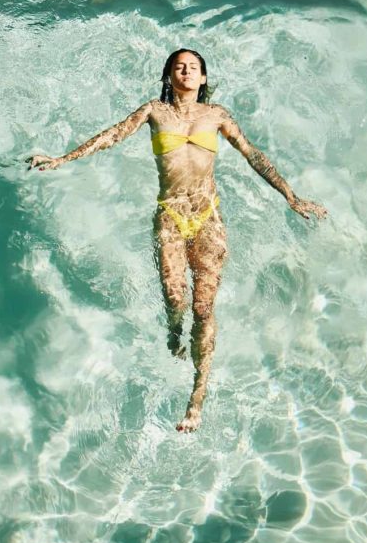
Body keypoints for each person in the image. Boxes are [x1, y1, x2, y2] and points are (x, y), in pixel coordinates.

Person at [26, 49, 327, 432]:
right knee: (175, 300)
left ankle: (197, 396)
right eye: (179, 66)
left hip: (207, 218)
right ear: (169, 76)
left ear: (203, 79)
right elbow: (112, 135)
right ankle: (173, 330)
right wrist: (62, 160)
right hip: (170, 216)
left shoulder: (216, 116)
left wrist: (291, 196)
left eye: (194, 68)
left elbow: (253, 154)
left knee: (203, 308)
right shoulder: (155, 111)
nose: (186, 71)